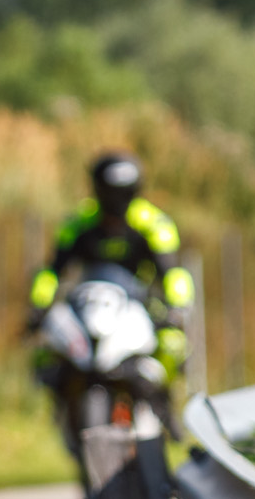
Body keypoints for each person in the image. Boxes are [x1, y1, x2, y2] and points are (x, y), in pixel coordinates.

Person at [26, 151, 195, 396]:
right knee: (47, 344)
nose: (116, 201)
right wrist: (39, 305)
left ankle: (163, 401)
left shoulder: (152, 224)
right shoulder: (80, 222)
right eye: (110, 193)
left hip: (138, 305)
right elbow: (52, 272)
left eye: (122, 193)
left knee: (172, 343)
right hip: (89, 306)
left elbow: (172, 273)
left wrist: (178, 307)